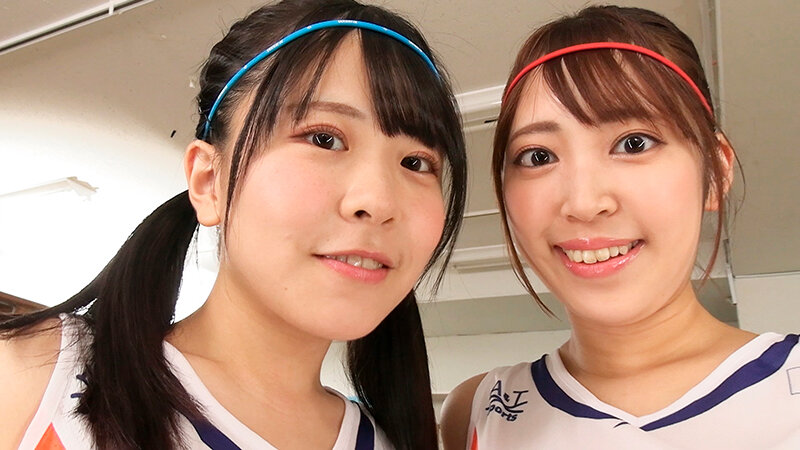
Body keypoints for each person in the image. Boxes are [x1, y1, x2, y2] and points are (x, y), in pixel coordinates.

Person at [0, 0, 467, 448]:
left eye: (416, 162)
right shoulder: (37, 376)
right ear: (209, 182)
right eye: (324, 139)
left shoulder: (396, 440)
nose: (379, 201)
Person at [441, 5, 799, 449]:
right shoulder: (476, 411)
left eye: (633, 143)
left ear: (714, 172)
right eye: (538, 156)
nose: (584, 203)